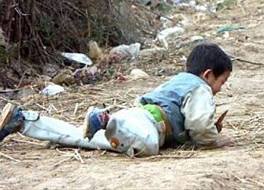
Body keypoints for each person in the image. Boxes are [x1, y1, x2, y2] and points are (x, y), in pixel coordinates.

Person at [0, 42, 232, 157]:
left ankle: (24, 121)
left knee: (82, 137)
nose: (219, 90)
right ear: (208, 74)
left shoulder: (177, 81)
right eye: (221, 83)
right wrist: (213, 140)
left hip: (134, 116)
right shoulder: (201, 87)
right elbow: (199, 124)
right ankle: (105, 120)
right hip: (149, 124)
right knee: (147, 147)